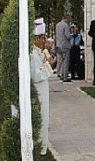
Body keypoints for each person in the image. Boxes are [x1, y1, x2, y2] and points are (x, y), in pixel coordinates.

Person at [31, 18, 55, 156]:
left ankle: (43, 146)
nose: (44, 41)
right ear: (36, 39)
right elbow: (36, 75)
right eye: (42, 38)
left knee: (44, 117)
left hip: (43, 90)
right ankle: (40, 147)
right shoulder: (33, 54)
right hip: (39, 90)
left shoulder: (38, 52)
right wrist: (48, 65)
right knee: (41, 117)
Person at [55, 14, 73, 83]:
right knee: (65, 61)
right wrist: (72, 35)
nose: (70, 20)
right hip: (65, 46)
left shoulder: (58, 25)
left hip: (58, 45)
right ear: (67, 18)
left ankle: (61, 74)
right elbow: (67, 36)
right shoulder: (66, 25)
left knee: (61, 61)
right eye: (69, 18)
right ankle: (64, 76)